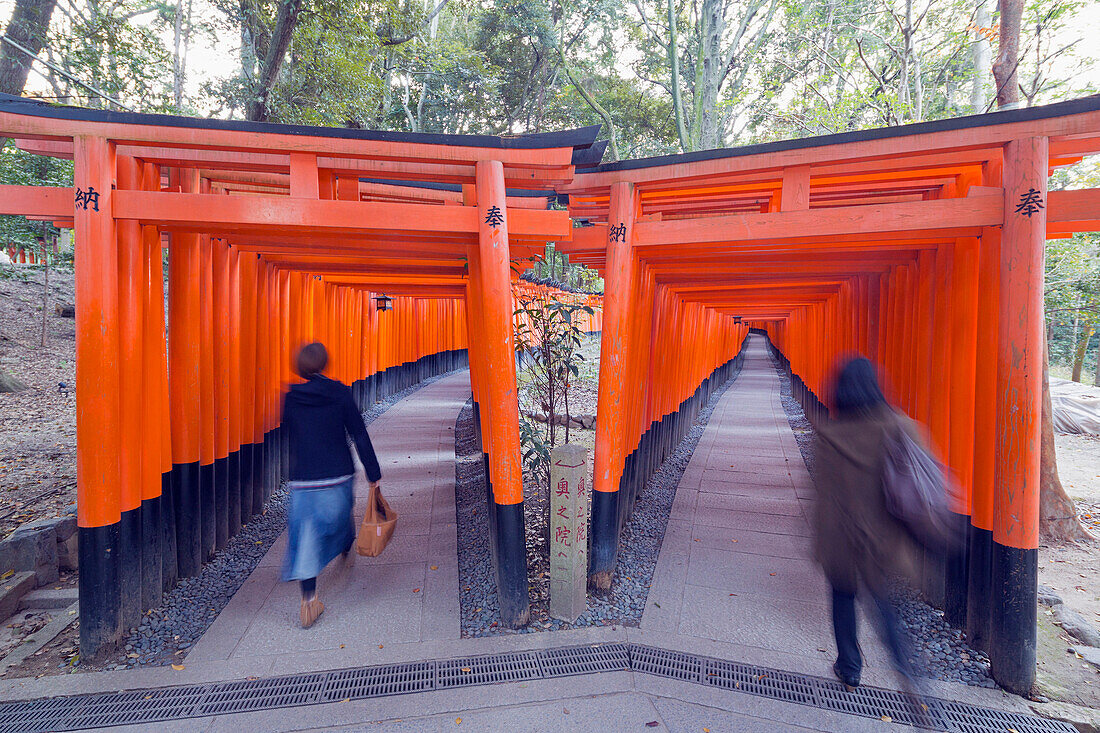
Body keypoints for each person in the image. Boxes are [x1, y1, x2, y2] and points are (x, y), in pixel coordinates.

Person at [812, 356, 922, 692]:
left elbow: (823, 495)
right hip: (884, 536)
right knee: (884, 600)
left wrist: (822, 542)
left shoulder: (829, 435)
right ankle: (904, 663)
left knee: (843, 598)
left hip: (843, 536)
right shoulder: (900, 427)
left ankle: (850, 667)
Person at [281, 342, 382, 628]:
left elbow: (288, 426)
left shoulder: (291, 398)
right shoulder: (339, 393)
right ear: (325, 362)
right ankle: (345, 544)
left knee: (306, 538)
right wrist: (373, 471)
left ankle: (308, 600)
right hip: (337, 474)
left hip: (303, 480)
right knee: (337, 520)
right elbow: (359, 434)